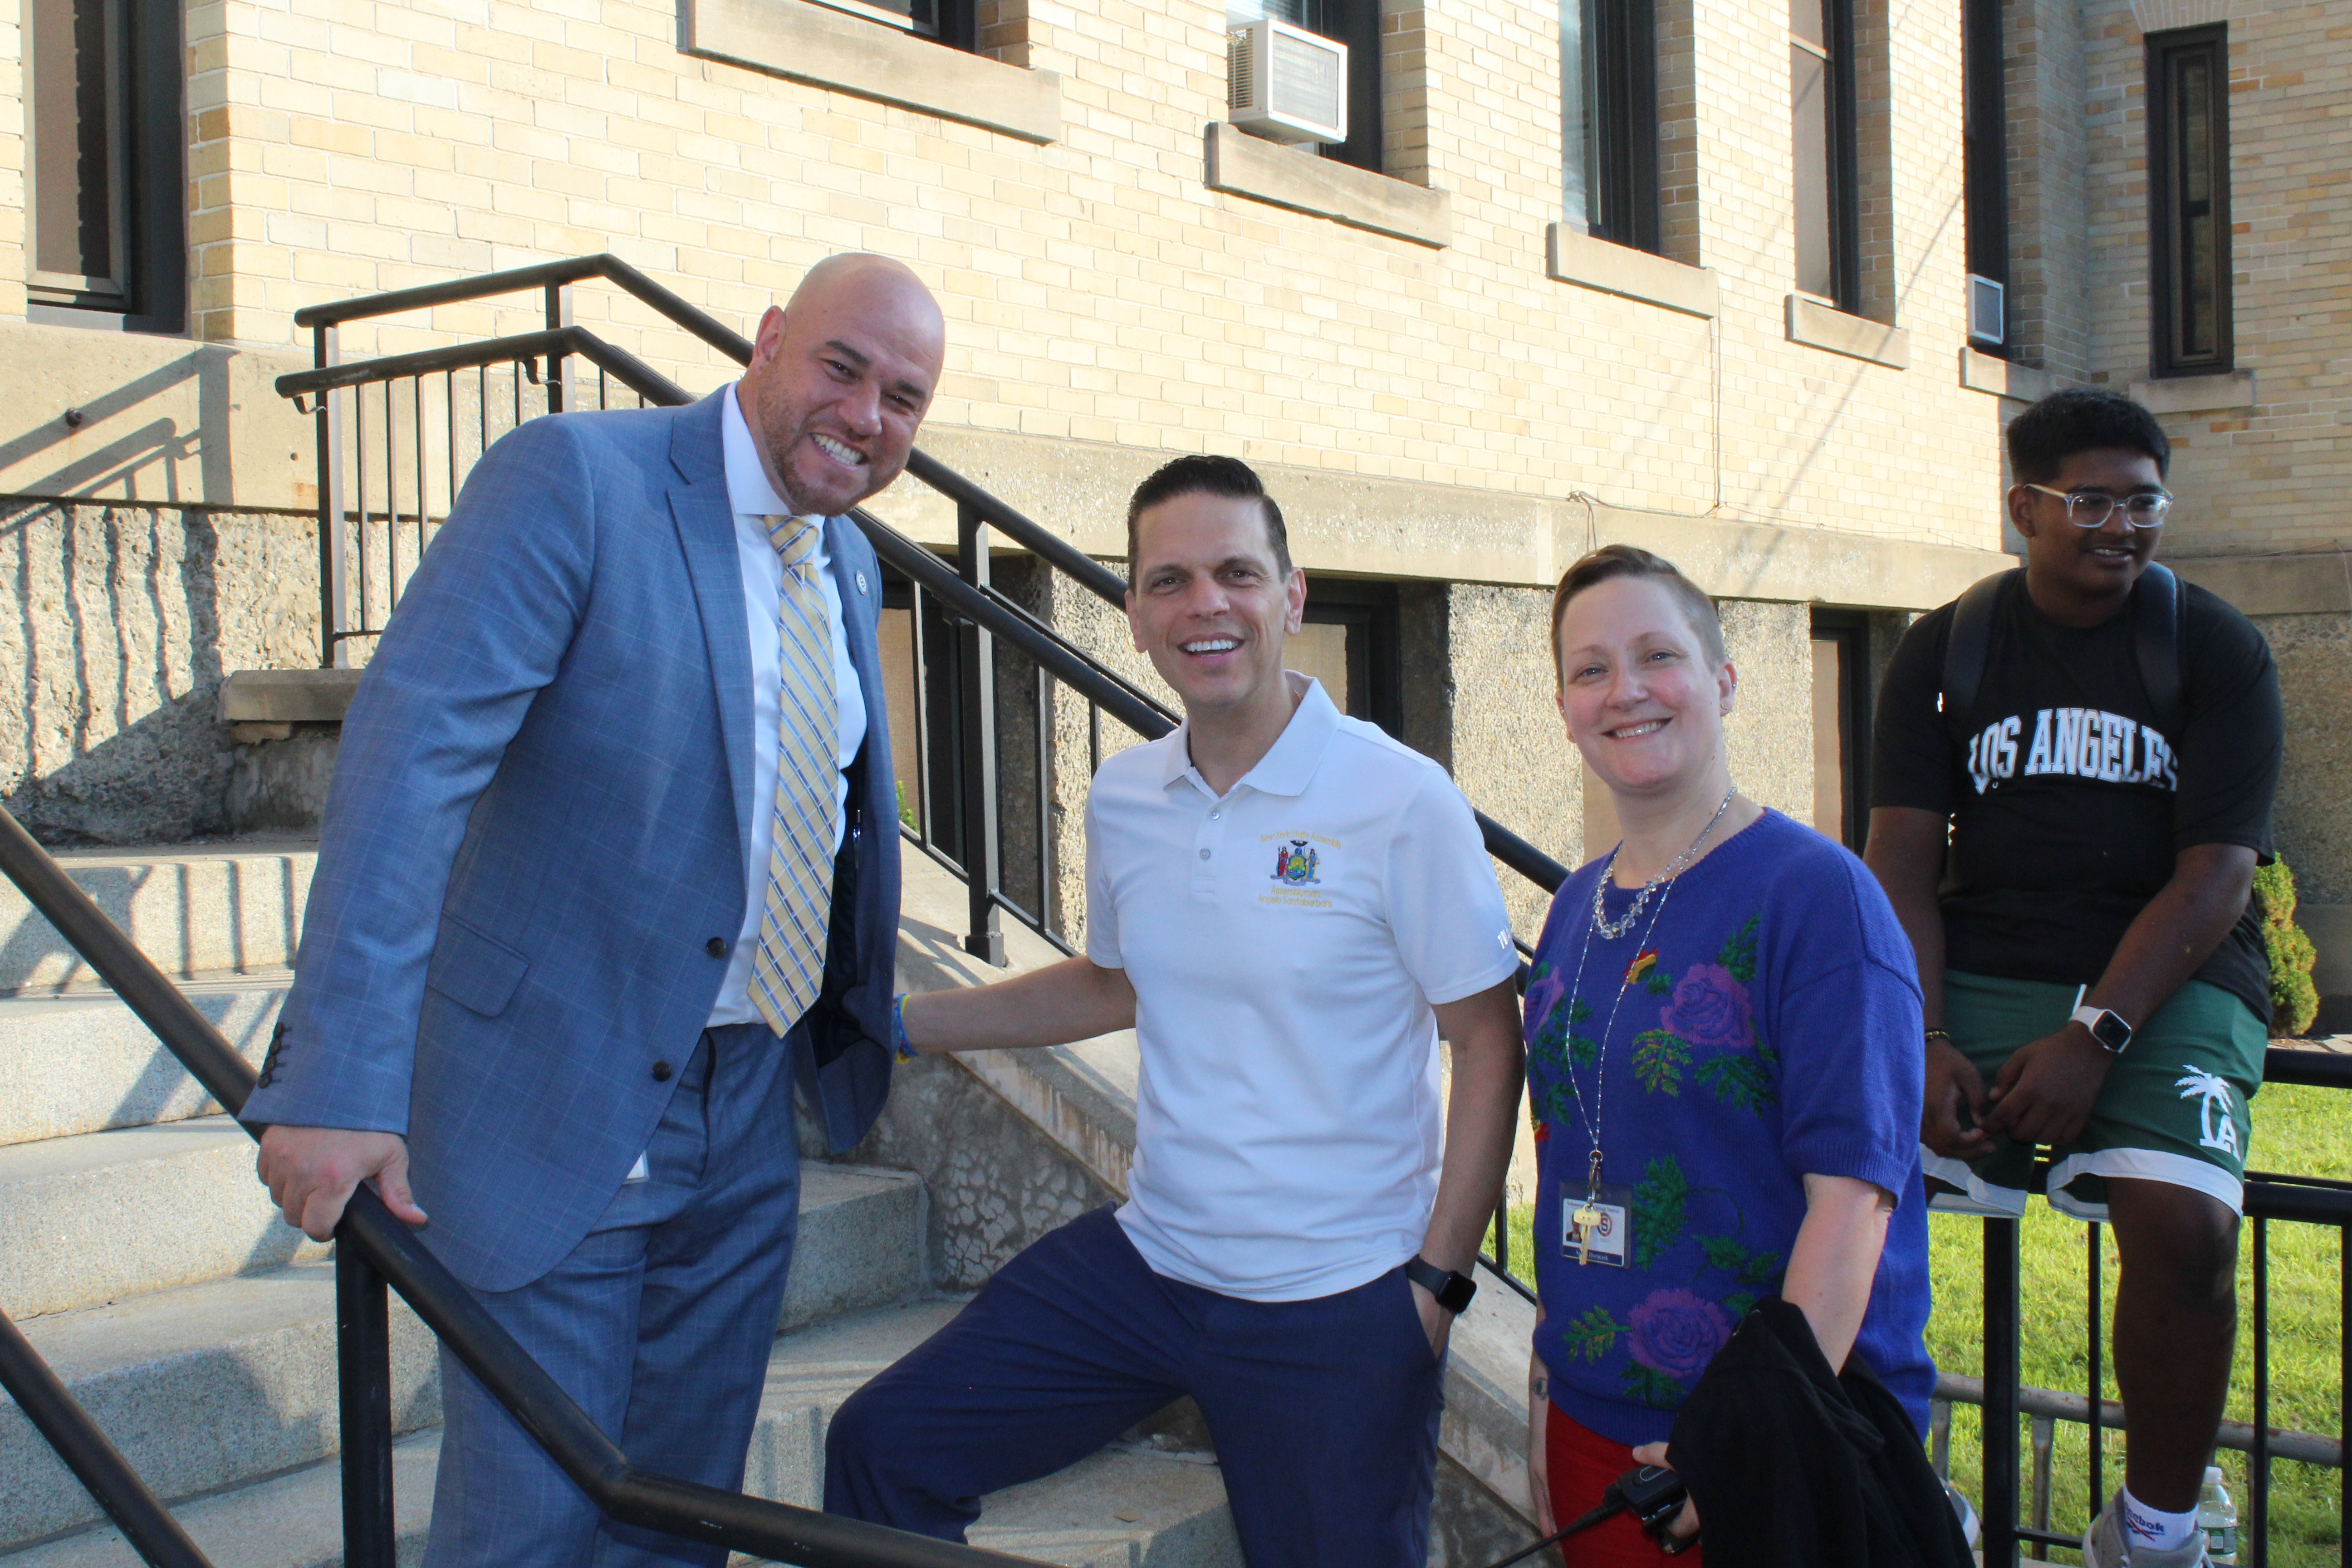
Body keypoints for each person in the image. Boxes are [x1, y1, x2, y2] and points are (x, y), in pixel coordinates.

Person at [242, 254, 942, 1566]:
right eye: (843, 369)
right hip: (553, 1084)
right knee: (535, 1522)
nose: (867, 415)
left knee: (681, 1516)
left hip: (747, 1108)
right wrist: (340, 1080)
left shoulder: (844, 560)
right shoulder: (577, 476)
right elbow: (409, 768)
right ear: (770, 338)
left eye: (904, 397)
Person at [820, 454, 1525, 1567]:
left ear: (1290, 597)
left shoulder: (1400, 800)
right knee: (881, 1448)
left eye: (1237, 572)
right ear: (1136, 616)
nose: (1207, 604)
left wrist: (1436, 1285)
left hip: (1336, 1301)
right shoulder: (1127, 795)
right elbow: (1117, 982)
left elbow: (1488, 1041)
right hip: (1153, 1264)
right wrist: (901, 1023)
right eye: (1170, 581)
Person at [1864, 388, 2282, 1568]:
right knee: (1846, 1178)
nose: (2122, 525)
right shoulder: (1947, 647)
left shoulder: (2213, 646)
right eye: (2089, 501)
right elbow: (1899, 851)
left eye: (2144, 500)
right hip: (1985, 958)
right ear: (2021, 509)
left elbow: (2216, 880)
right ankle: (1899, 1483)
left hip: (2166, 974)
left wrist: (2096, 1034)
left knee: (2190, 1227)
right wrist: (1925, 1033)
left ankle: (2153, 1530)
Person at [1524, 544, 1936, 1566]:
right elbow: (1572, 1149)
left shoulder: (1818, 897)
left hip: (1774, 1445)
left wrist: (1740, 1445)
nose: (1624, 691)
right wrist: (1545, 1390)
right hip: (1593, 1422)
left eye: (1657, 655)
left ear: (1724, 679)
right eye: (1590, 670)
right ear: (1567, 705)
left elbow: (1855, 1203)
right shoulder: (1580, 901)